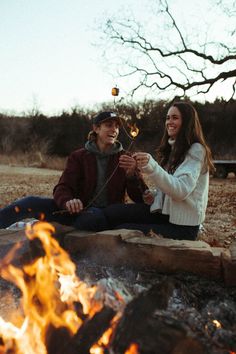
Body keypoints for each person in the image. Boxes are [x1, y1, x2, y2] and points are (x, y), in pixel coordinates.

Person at [0, 111, 147, 231]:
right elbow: (63, 187)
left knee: (94, 217)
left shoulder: (126, 158)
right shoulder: (79, 156)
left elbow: (140, 198)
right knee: (29, 202)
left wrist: (132, 175)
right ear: (96, 128)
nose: (114, 130)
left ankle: (56, 228)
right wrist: (68, 201)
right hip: (75, 210)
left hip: (105, 214)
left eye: (116, 127)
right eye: (109, 125)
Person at [103, 101, 215, 240]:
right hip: (164, 214)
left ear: (187, 121)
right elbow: (170, 185)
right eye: (168, 118)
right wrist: (154, 195)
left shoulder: (196, 150)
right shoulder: (173, 149)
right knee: (112, 212)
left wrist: (152, 166)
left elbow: (180, 191)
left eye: (175, 117)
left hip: (183, 227)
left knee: (121, 228)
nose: (169, 122)